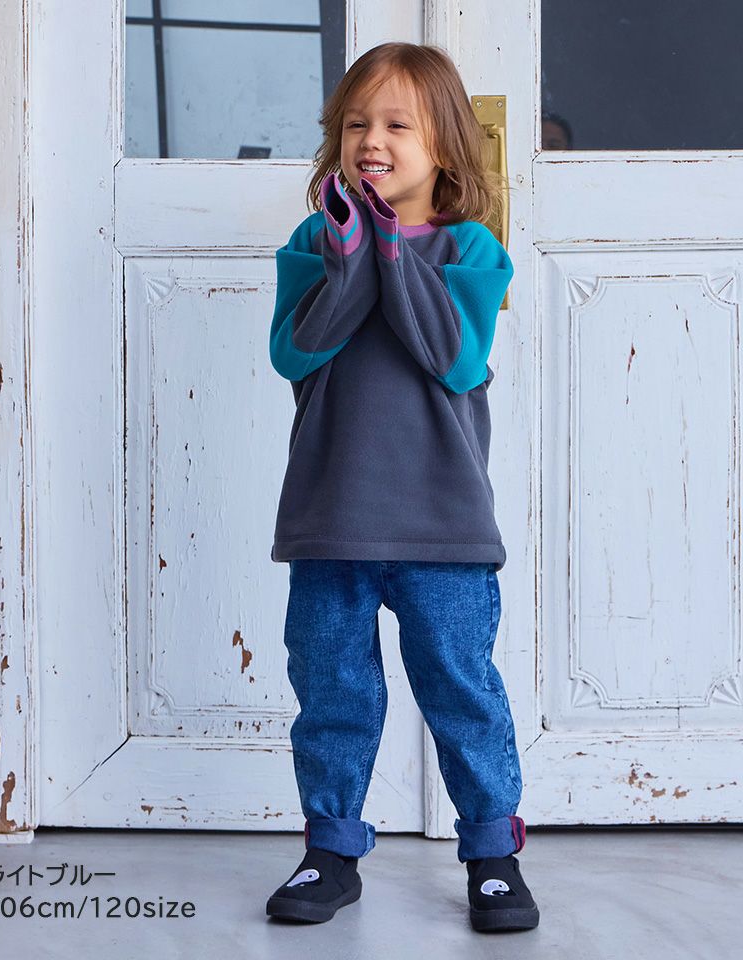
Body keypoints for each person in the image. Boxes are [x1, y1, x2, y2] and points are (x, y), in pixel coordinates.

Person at [264, 41, 539, 933]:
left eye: (396, 125)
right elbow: (297, 351)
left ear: (445, 147)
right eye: (355, 125)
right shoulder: (314, 244)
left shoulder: (473, 250)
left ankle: (493, 855)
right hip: (331, 521)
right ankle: (330, 852)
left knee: (461, 690)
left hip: (443, 528)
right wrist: (351, 252)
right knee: (332, 692)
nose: (371, 141)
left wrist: (386, 247)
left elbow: (451, 356)